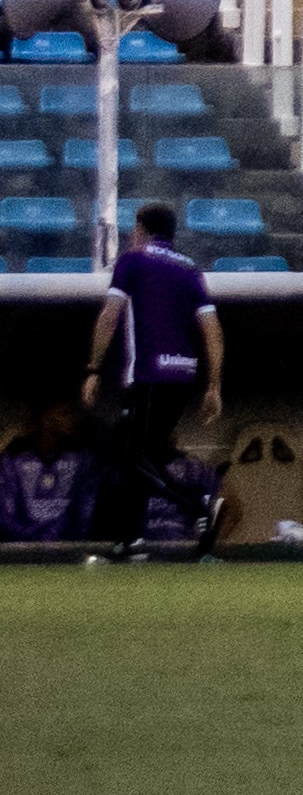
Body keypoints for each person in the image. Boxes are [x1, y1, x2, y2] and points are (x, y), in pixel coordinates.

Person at [77, 199, 219, 553]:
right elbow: (212, 329)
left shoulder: (133, 261)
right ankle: (131, 538)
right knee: (145, 456)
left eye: (133, 228)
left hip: (148, 375)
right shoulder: (190, 270)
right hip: (183, 376)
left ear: (141, 229)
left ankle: (196, 504)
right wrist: (213, 385)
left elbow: (110, 316)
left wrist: (93, 369)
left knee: (127, 455)